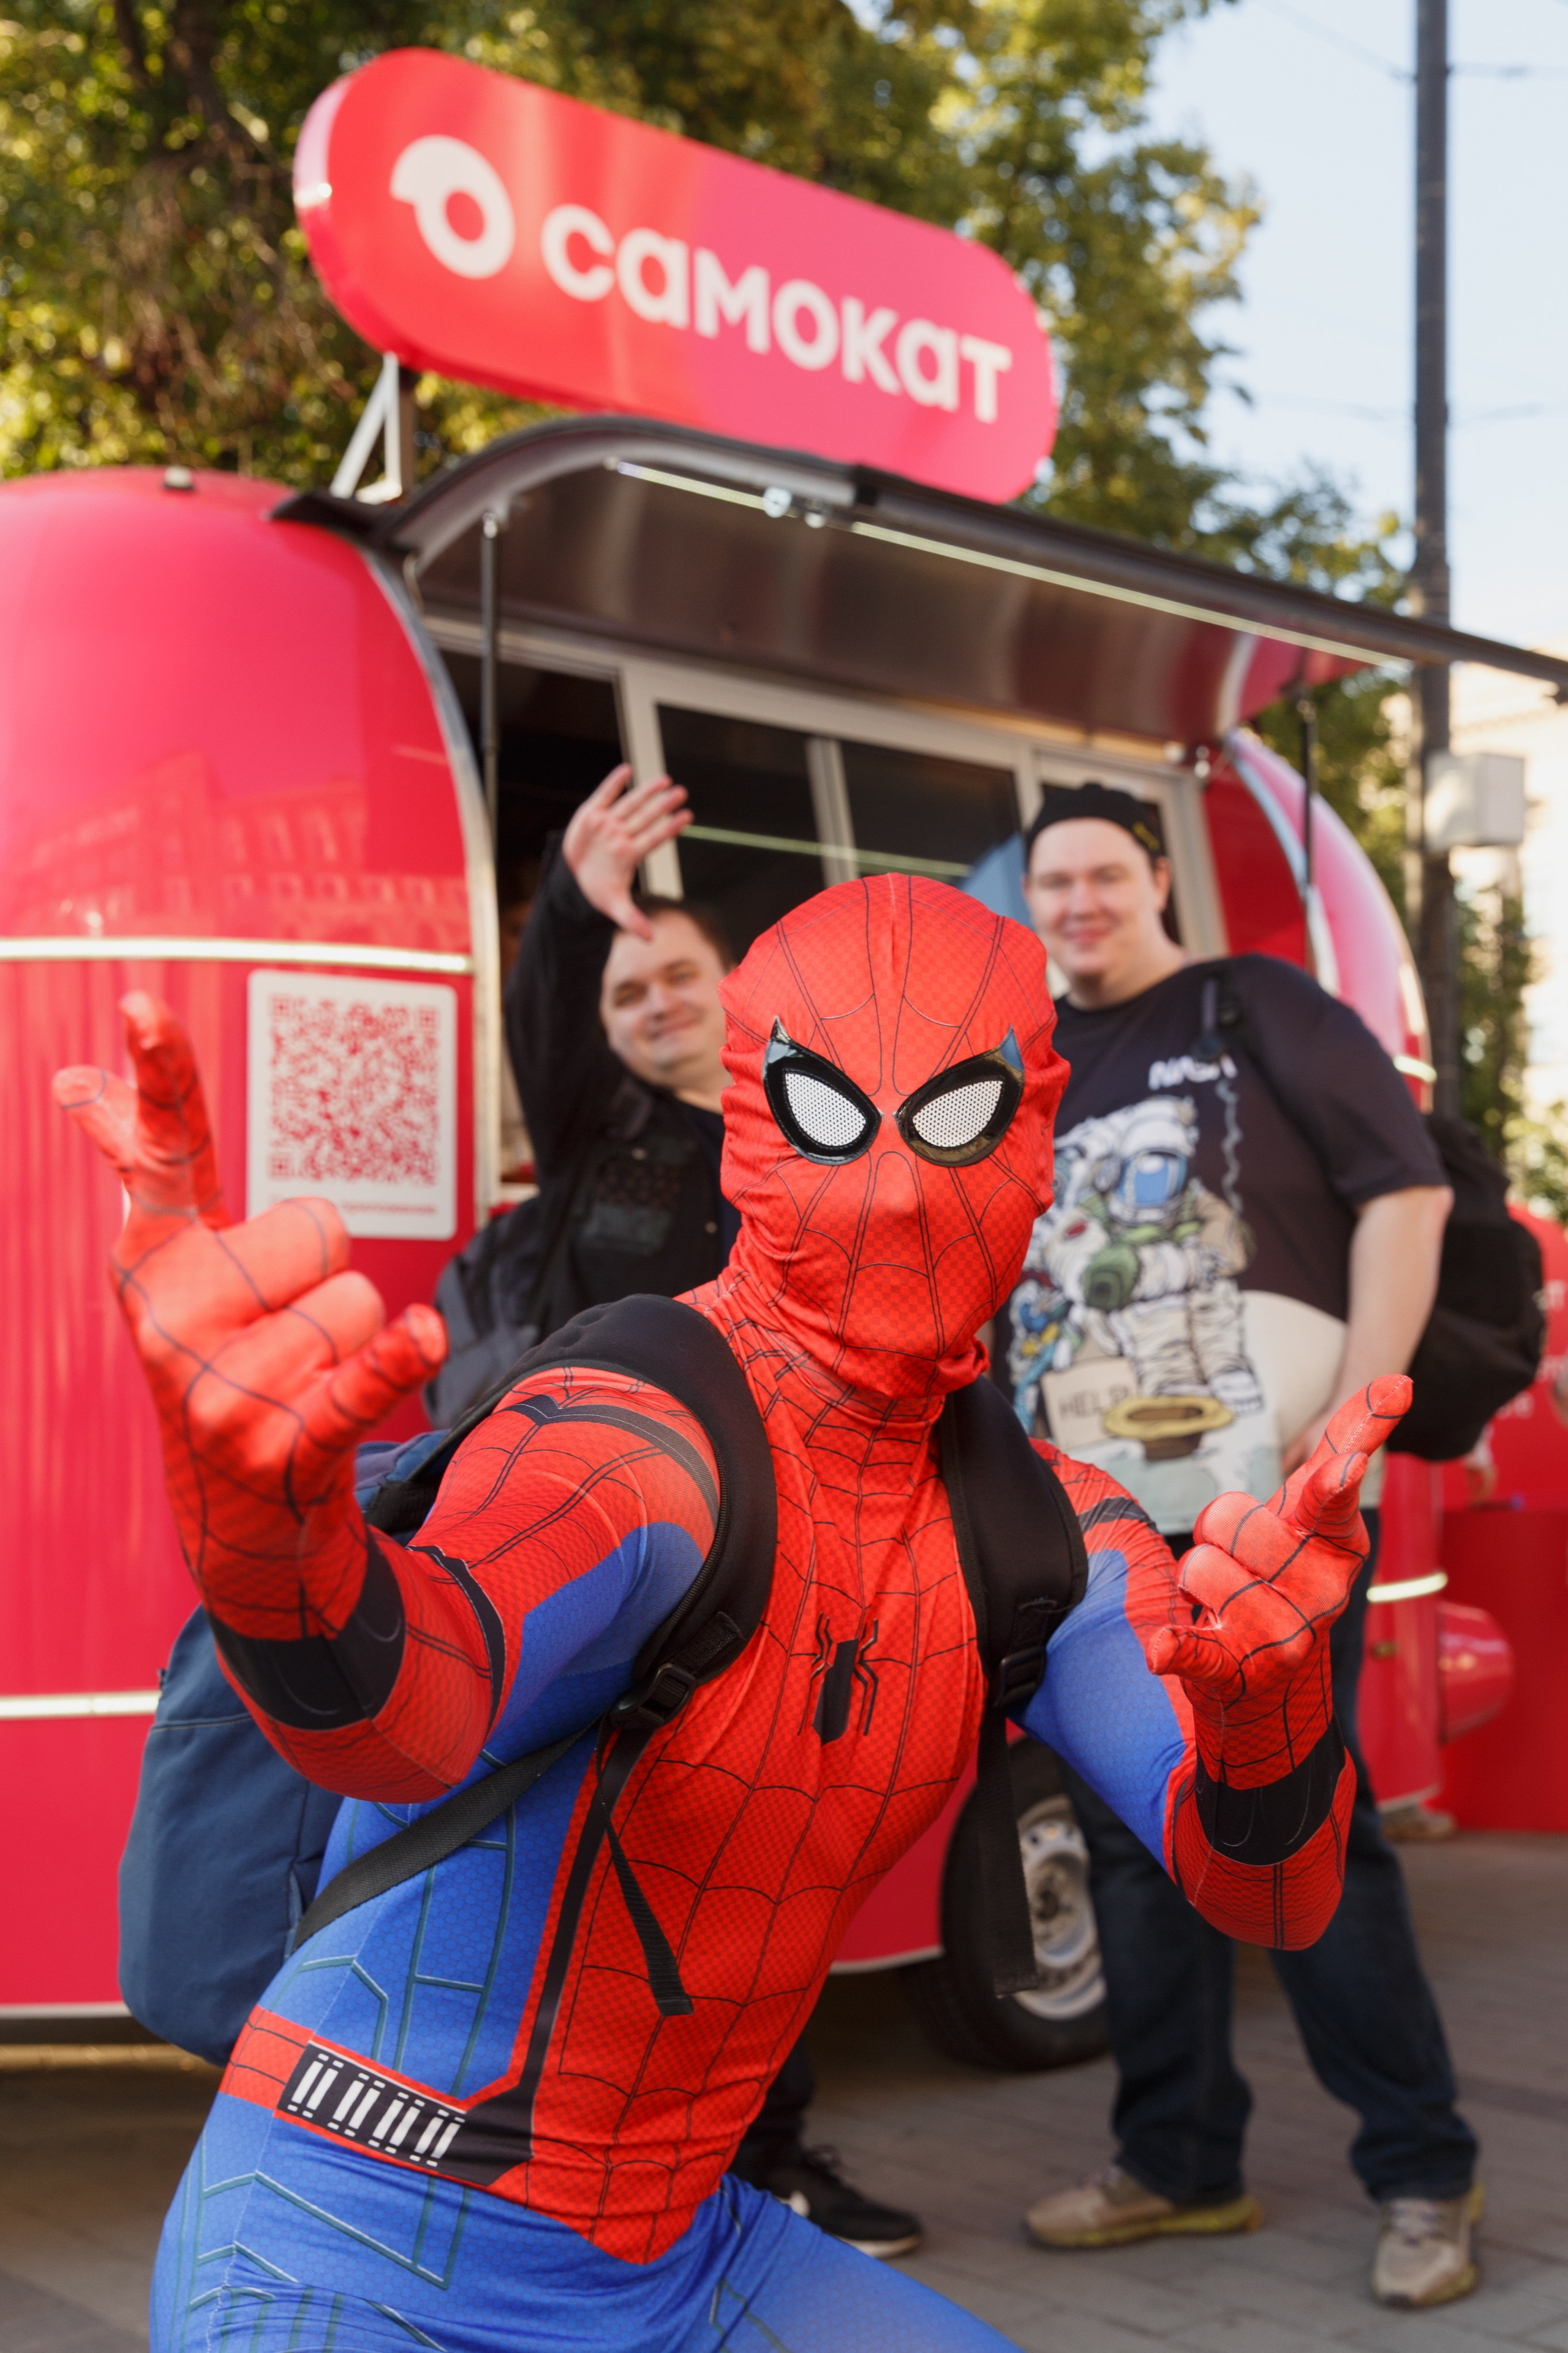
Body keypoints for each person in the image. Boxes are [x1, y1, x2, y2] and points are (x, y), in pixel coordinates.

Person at [58, 878, 1394, 2353]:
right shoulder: (638, 1440)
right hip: (343, 2238)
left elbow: (1273, 1894)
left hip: (672, 2253)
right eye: (831, 1115)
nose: (891, 1190)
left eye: (951, 1118)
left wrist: (1271, 1712)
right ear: (750, 1128)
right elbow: (395, 1712)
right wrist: (261, 1528)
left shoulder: (1041, 1534)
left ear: (1039, 1122)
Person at [1006, 782, 1479, 2311]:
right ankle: (1177, 2164)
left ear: (1153, 876)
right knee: (1136, 1842)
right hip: (1095, 1533)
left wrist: (1351, 1421)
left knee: (1306, 1838)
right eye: (1048, 880)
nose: (1074, 901)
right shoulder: (1031, 1068)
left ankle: (1421, 2169)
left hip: (1269, 1519)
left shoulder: (1250, 1003)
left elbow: (1401, 1192)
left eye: (1099, 872)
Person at [507, 761, 921, 2256]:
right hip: (613, 1560)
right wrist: (573, 904)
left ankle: (770, 2174)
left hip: (786, 1562)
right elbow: (547, 1015)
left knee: (758, 1887)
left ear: (730, 992)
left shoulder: (809, 1147)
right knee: (587, 1887)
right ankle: (588, 2191)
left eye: (676, 974)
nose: (652, 1004)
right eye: (628, 992)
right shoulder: (592, 1136)